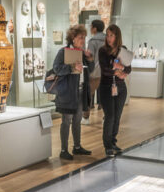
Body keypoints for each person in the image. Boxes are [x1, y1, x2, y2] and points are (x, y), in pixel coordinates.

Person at [51, 24, 95, 161]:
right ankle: (63, 150)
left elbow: (90, 70)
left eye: (84, 37)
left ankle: (77, 147)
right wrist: (71, 67)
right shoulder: (63, 52)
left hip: (81, 91)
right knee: (66, 121)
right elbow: (56, 69)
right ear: (73, 38)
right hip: (68, 93)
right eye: (81, 37)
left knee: (77, 120)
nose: (83, 40)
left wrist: (90, 59)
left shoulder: (82, 53)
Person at [97, 24, 131, 157]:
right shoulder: (102, 51)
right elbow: (105, 70)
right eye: (108, 35)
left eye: (112, 35)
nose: (109, 38)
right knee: (109, 116)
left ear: (117, 36)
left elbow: (128, 69)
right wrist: (117, 70)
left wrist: (121, 68)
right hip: (106, 87)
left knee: (117, 117)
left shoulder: (123, 50)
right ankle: (108, 145)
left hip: (120, 88)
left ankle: (113, 142)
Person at [84, 18, 105, 124]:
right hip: (106, 71)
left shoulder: (93, 41)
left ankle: (86, 117)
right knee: (106, 94)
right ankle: (106, 117)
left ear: (95, 28)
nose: (90, 29)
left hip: (95, 71)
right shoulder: (108, 39)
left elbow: (90, 57)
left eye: (91, 27)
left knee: (88, 93)